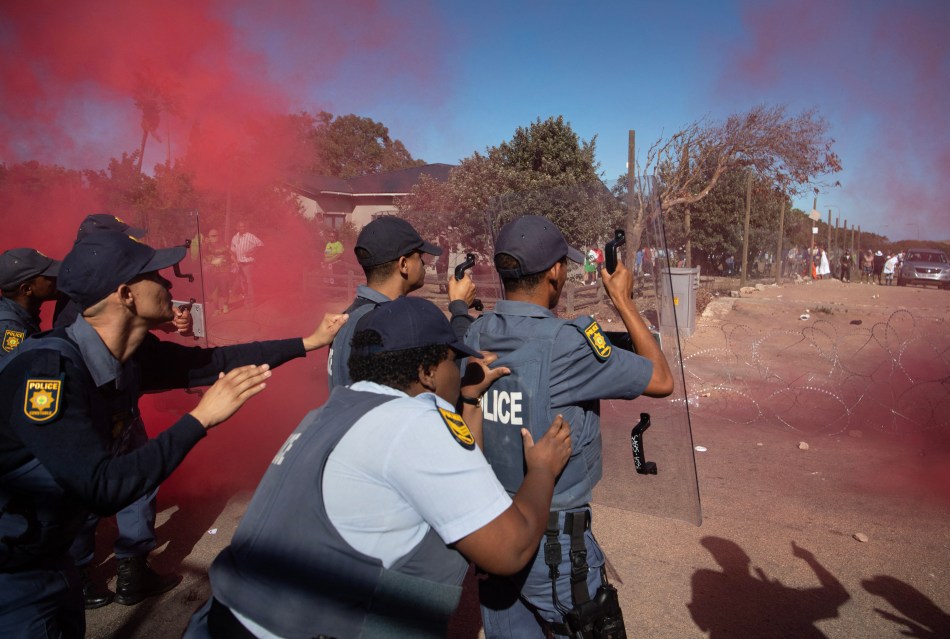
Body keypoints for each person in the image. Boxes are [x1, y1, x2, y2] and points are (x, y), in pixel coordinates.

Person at [0, 231, 347, 638]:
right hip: (14, 576)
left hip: (51, 559)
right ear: (127, 295)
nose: (168, 284)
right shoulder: (47, 372)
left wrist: (309, 341)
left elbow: (215, 359)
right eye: (156, 275)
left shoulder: (129, 356)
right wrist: (199, 419)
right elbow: (102, 486)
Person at [184, 296, 572, 638]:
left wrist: (468, 400)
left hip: (222, 621)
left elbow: (463, 467)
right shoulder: (414, 425)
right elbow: (511, 549)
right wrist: (541, 469)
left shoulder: (334, 408)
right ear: (427, 372)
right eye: (454, 359)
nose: (461, 370)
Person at [462, 215, 673, 638]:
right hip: (556, 547)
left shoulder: (476, 330)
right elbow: (660, 379)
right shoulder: (569, 342)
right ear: (557, 272)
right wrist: (624, 301)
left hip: (492, 533)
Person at [51, 213, 192, 609]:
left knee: (136, 480)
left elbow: (131, 324)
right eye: (126, 239)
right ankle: (85, 571)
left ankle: (126, 567)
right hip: (93, 402)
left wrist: (167, 323)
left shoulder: (84, 283)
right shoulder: (84, 293)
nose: (134, 243)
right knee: (90, 485)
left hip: (118, 399)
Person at [327, 216, 476, 389]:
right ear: (404, 264)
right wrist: (459, 306)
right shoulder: (392, 325)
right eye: (419, 256)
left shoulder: (349, 315)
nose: (423, 262)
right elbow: (448, 379)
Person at [0, 248, 60, 359]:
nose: (56, 277)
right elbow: (15, 374)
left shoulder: (21, 314)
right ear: (27, 289)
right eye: (48, 275)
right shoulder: (11, 330)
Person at [230, 221, 264, 306]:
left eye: (244, 226)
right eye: (240, 227)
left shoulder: (250, 236)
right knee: (243, 283)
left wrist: (253, 252)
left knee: (249, 282)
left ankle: (252, 301)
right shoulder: (235, 237)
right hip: (239, 263)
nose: (243, 228)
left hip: (248, 263)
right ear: (237, 227)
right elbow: (232, 251)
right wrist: (234, 261)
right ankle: (246, 300)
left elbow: (260, 244)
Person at [203, 228, 231, 314]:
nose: (214, 238)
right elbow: (202, 254)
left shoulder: (224, 244)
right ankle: (216, 309)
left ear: (219, 236)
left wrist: (229, 261)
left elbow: (230, 254)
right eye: (211, 236)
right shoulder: (206, 246)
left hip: (223, 271)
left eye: (216, 235)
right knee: (214, 291)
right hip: (212, 272)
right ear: (209, 237)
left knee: (224, 289)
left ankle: (226, 305)